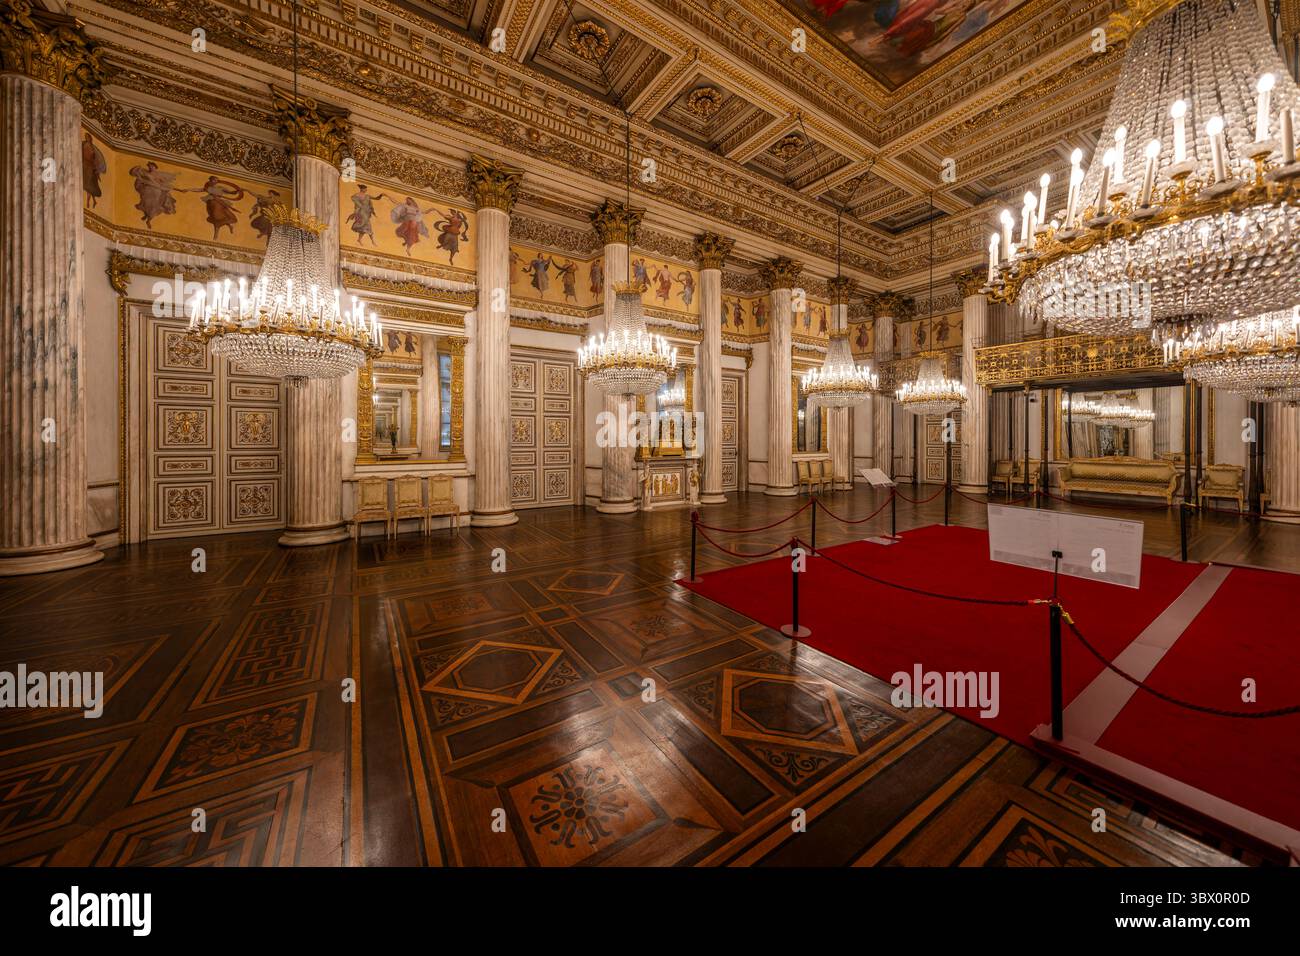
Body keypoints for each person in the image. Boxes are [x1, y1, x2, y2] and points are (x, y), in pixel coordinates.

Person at [128, 160, 178, 228]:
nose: (150, 167)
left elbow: (162, 183)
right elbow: (139, 178)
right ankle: (146, 214)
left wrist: (165, 187)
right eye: (149, 166)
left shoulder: (158, 175)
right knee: (146, 203)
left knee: (154, 206)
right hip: (147, 192)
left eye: (152, 166)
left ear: (155, 167)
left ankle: (149, 220)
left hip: (156, 192)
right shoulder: (145, 174)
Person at [82, 133, 106, 209]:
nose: (86, 138)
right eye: (86, 137)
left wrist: (95, 167)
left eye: (88, 137)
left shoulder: (92, 147)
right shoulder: (84, 144)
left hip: (90, 167)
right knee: (88, 185)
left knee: (90, 185)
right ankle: (91, 201)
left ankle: (91, 201)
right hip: (87, 166)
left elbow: (94, 158)